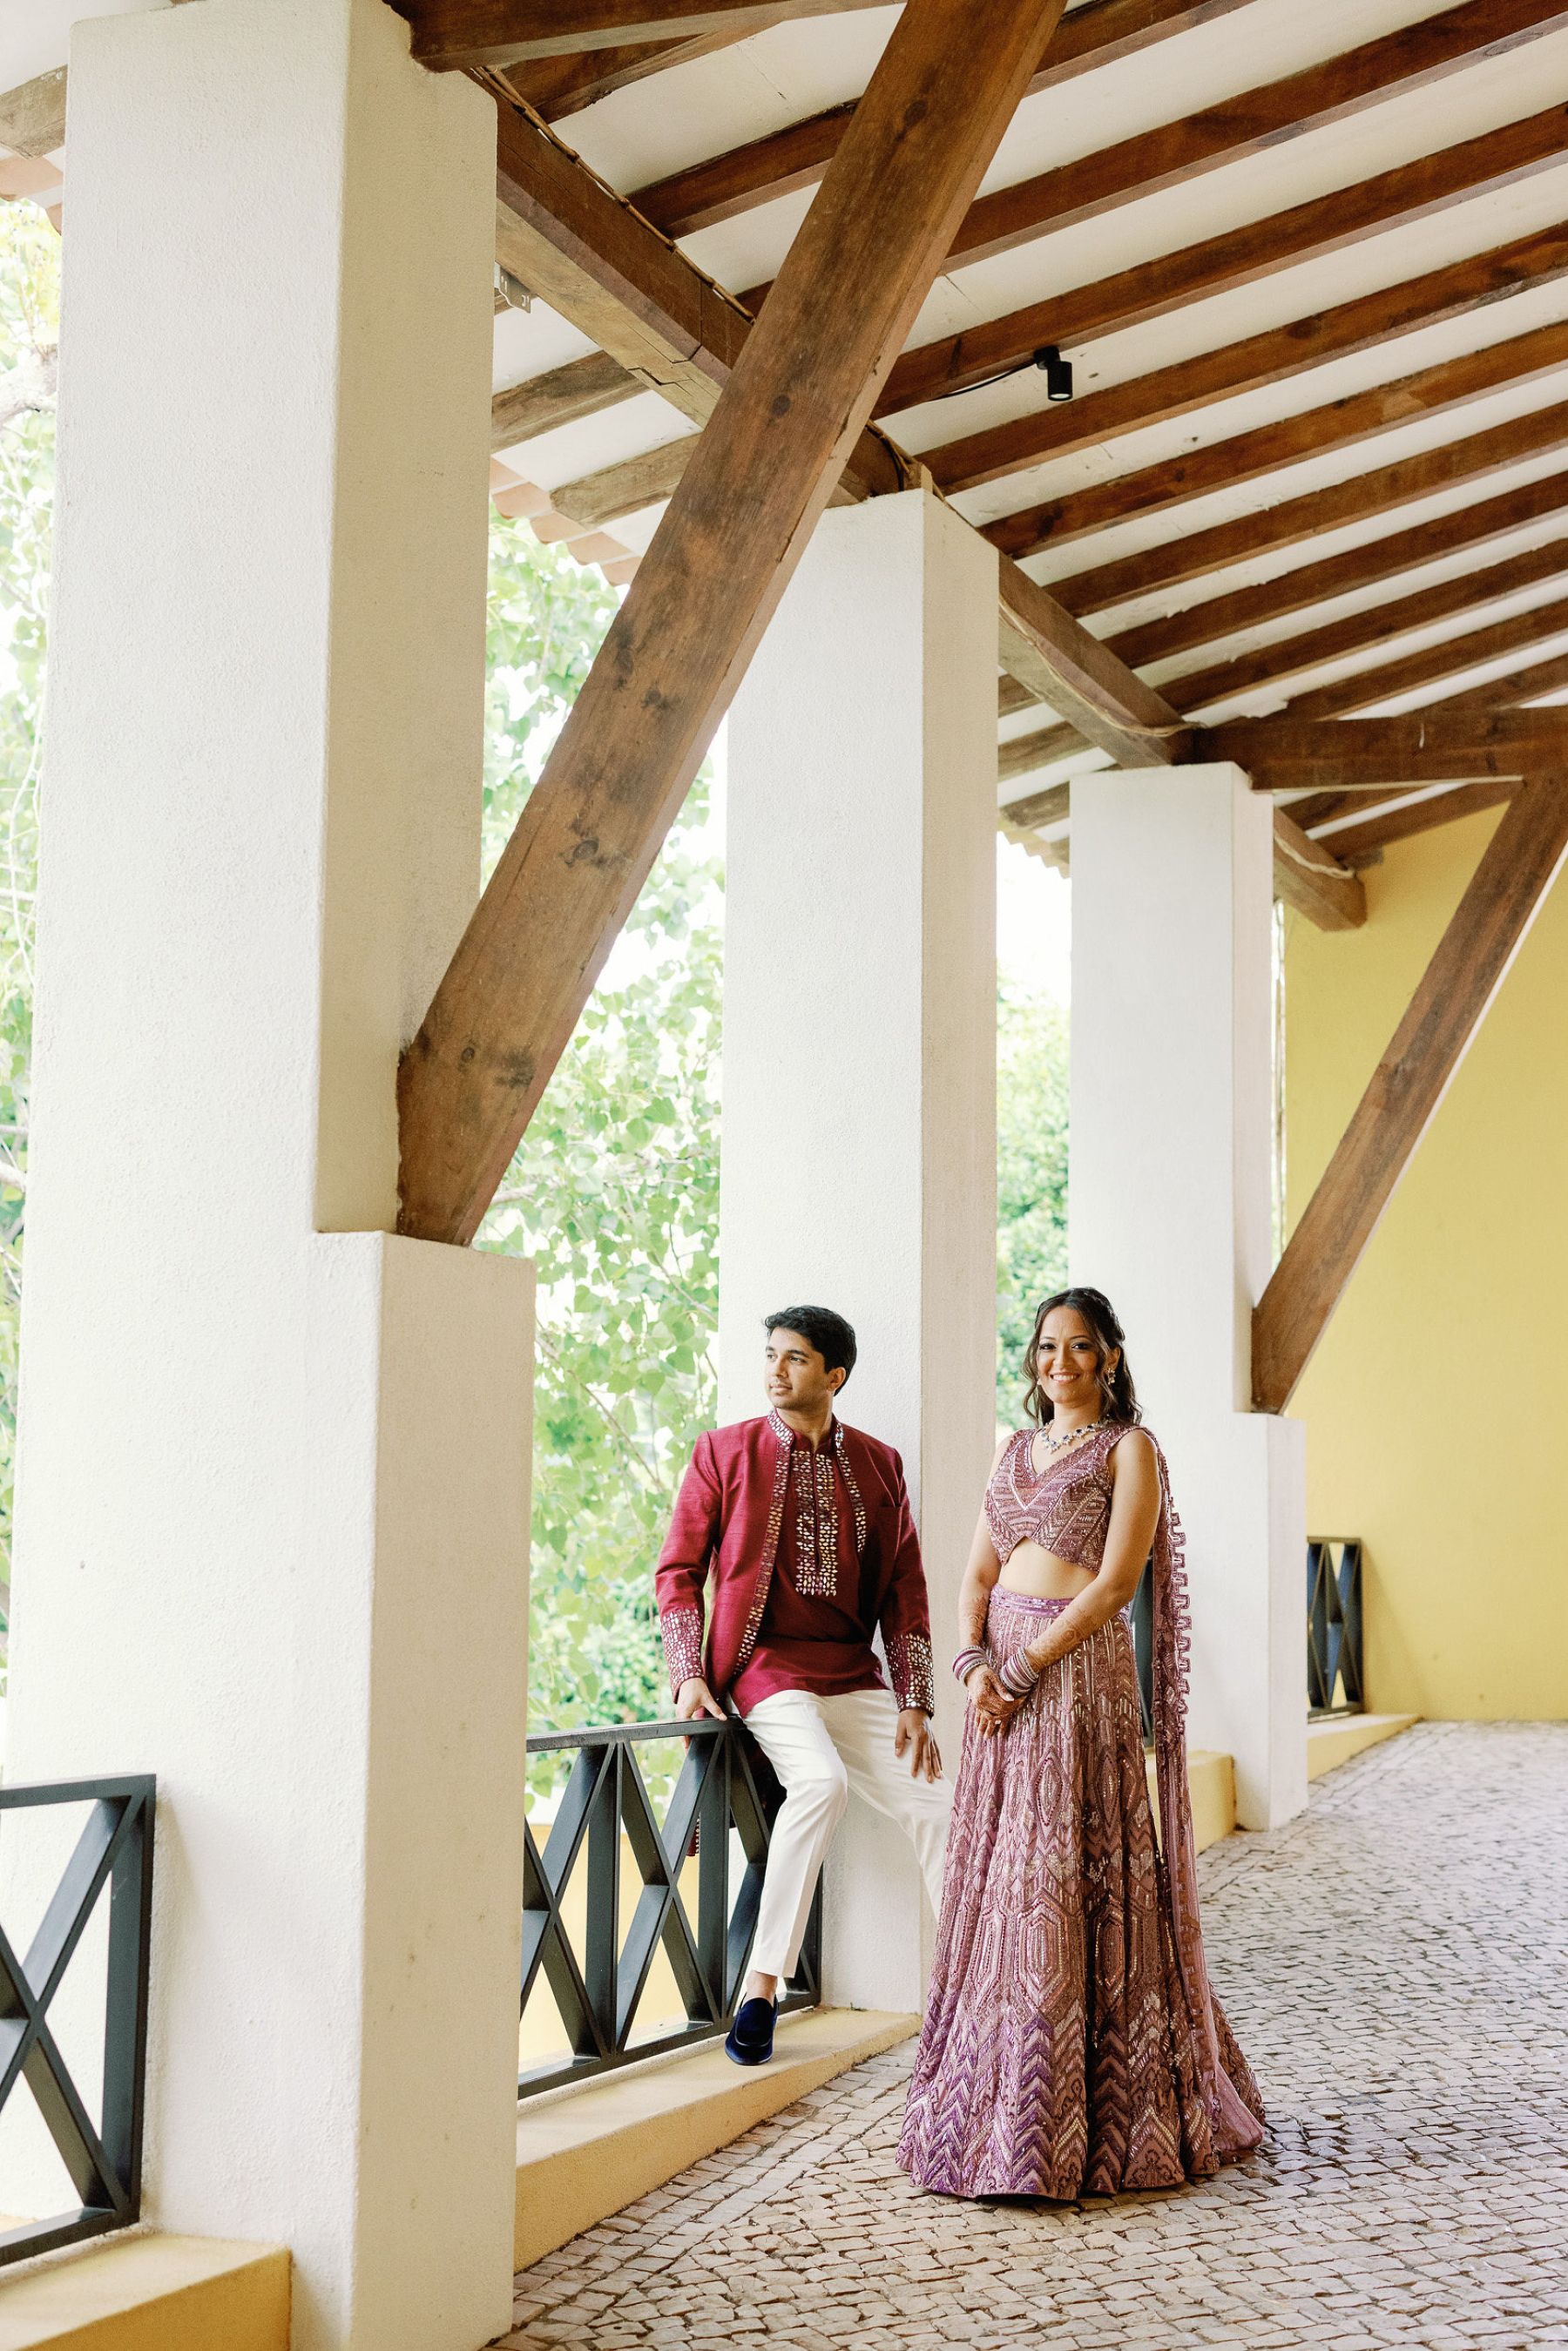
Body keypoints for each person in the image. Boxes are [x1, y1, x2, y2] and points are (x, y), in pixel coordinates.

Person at [898, 1287, 1264, 2199]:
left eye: (1079, 1346)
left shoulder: (1129, 1448)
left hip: (1073, 1680)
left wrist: (1024, 1671)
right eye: (1046, 1346)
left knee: (1061, 1870)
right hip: (999, 1684)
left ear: (1108, 1357)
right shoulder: (1013, 1448)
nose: (1059, 1361)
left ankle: (1077, 2116)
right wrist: (974, 1661)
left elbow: (1115, 1584)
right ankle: (992, 2108)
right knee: (998, 1877)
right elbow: (977, 1569)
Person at [657, 1306, 950, 2067]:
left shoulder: (881, 1465)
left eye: (794, 1358)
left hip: (853, 1672)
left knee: (936, 1802)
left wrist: (915, 1698)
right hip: (766, 1670)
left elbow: (905, 1589)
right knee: (819, 1783)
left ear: (834, 1375)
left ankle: (974, 1987)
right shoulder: (725, 1452)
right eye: (770, 1355)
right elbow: (678, 1572)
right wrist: (689, 1671)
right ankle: (760, 1990)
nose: (775, 1370)